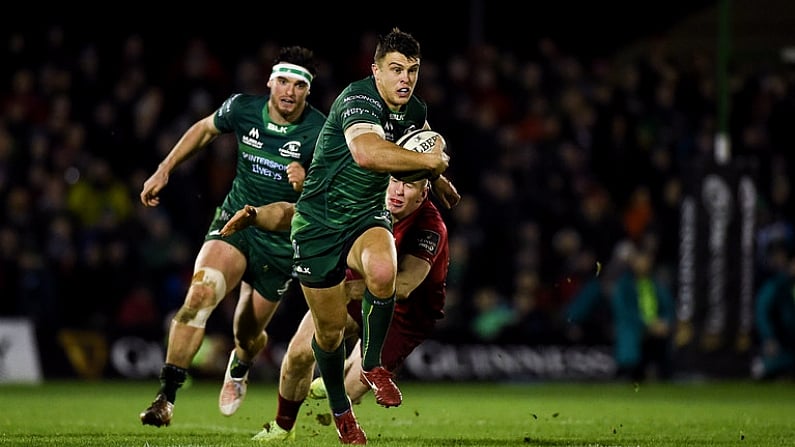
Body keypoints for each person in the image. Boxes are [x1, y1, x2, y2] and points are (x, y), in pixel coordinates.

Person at [138, 46, 327, 428]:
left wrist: (308, 182)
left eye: (299, 85)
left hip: (281, 242)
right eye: (284, 82)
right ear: (270, 81)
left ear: (309, 91)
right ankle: (166, 396)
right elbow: (205, 129)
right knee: (200, 295)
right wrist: (165, 169)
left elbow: (332, 197)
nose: (290, 92)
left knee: (247, 334)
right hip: (236, 223)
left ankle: (240, 362)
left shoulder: (320, 131)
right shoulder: (243, 108)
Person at [286, 27, 451, 444]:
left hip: (365, 215)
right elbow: (366, 152)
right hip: (320, 223)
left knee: (382, 269)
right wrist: (430, 162)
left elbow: (426, 140)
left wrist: (440, 177)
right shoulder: (358, 99)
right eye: (396, 69)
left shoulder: (412, 109)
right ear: (375, 70)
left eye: (412, 71)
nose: (405, 79)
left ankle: (373, 365)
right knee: (328, 334)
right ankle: (342, 413)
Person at [217, 175, 449, 442]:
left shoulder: (430, 227)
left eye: (408, 186)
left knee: (351, 387)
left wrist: (341, 292)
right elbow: (302, 212)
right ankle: (282, 427)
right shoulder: (367, 199)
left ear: (423, 193)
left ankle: (336, 380)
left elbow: (406, 284)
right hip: (355, 285)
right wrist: (257, 215)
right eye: (394, 181)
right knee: (297, 355)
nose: (397, 191)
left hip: (405, 314)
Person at [611, 239, 676, 382]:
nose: (643, 263)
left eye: (646, 259)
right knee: (628, 330)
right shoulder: (623, 284)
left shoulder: (658, 283)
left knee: (673, 331)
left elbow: (668, 307)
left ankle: (666, 371)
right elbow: (624, 311)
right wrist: (647, 324)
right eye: (640, 259)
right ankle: (627, 369)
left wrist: (664, 322)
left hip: (657, 326)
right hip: (636, 325)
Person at [752, 250, 795, 380]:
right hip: (781, 343)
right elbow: (762, 313)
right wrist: (768, 337)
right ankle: (765, 366)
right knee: (776, 362)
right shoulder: (777, 285)